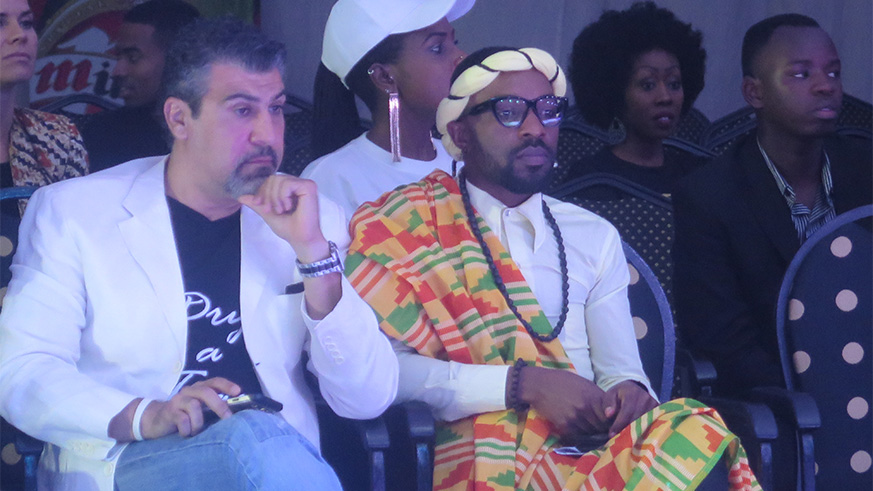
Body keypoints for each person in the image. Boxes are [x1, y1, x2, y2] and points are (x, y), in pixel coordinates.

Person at [0, 17, 398, 491]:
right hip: (131, 461)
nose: (267, 134)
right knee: (245, 437)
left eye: (275, 109)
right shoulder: (75, 213)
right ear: (178, 119)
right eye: (242, 111)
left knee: (254, 437)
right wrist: (146, 415)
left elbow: (367, 398)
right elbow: (22, 371)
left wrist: (314, 256)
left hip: (271, 464)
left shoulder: (311, 219)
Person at [345, 46, 761, 490]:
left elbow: (620, 369)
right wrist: (523, 385)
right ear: (460, 133)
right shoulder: (406, 229)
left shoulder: (593, 235)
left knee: (696, 428)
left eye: (547, 109)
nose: (535, 128)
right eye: (509, 111)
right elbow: (385, 372)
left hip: (594, 452)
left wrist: (629, 393)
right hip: (480, 452)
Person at [672, 14, 872, 397]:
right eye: (801, 74)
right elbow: (723, 344)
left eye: (833, 73)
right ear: (755, 92)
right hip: (778, 404)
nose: (825, 86)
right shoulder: (709, 196)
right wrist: (816, 396)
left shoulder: (865, 170)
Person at [300, 0, 472, 219]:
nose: (462, 57)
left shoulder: (467, 159)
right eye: (437, 48)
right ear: (384, 77)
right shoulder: (331, 181)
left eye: (455, 42)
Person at [562, 1, 707, 196]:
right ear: (615, 92)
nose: (665, 97)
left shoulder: (699, 175)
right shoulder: (591, 180)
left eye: (674, 84)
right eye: (648, 85)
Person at [79, 0, 199, 172]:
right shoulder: (100, 134)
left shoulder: (213, 136)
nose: (117, 71)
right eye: (118, 57)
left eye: (133, 58)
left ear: (177, 60)